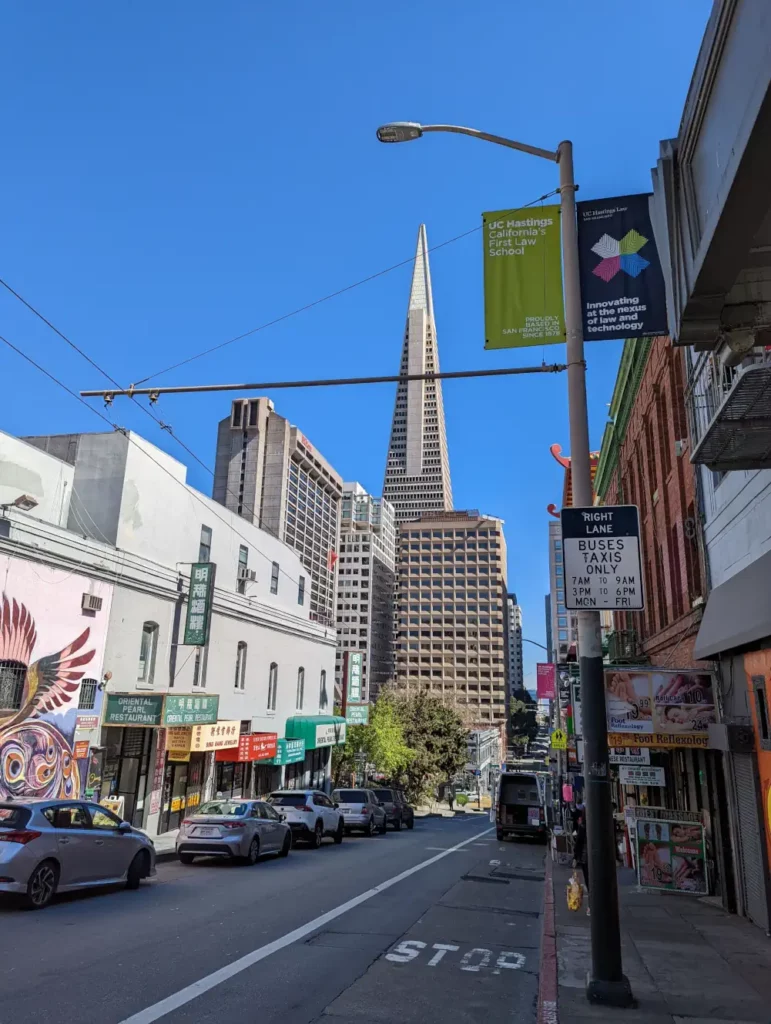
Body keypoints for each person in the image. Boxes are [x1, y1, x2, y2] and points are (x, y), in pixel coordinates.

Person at [573, 810, 590, 915]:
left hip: (585, 858)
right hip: (596, 858)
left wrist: (575, 857)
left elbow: (578, 843)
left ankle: (591, 906)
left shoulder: (583, 827)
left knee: (589, 883)